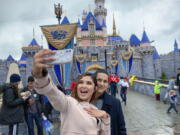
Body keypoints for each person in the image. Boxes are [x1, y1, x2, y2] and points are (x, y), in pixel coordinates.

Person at [32, 49, 110, 135]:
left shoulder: (95, 109)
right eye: (81, 82)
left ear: (95, 88)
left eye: (88, 83)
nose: (84, 85)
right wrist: (40, 76)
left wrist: (105, 117)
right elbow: (52, 92)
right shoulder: (69, 103)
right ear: (76, 87)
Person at [93, 69, 127, 135]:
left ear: (108, 85)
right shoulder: (85, 101)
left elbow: (121, 128)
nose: (102, 84)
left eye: (105, 81)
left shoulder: (115, 103)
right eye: (99, 80)